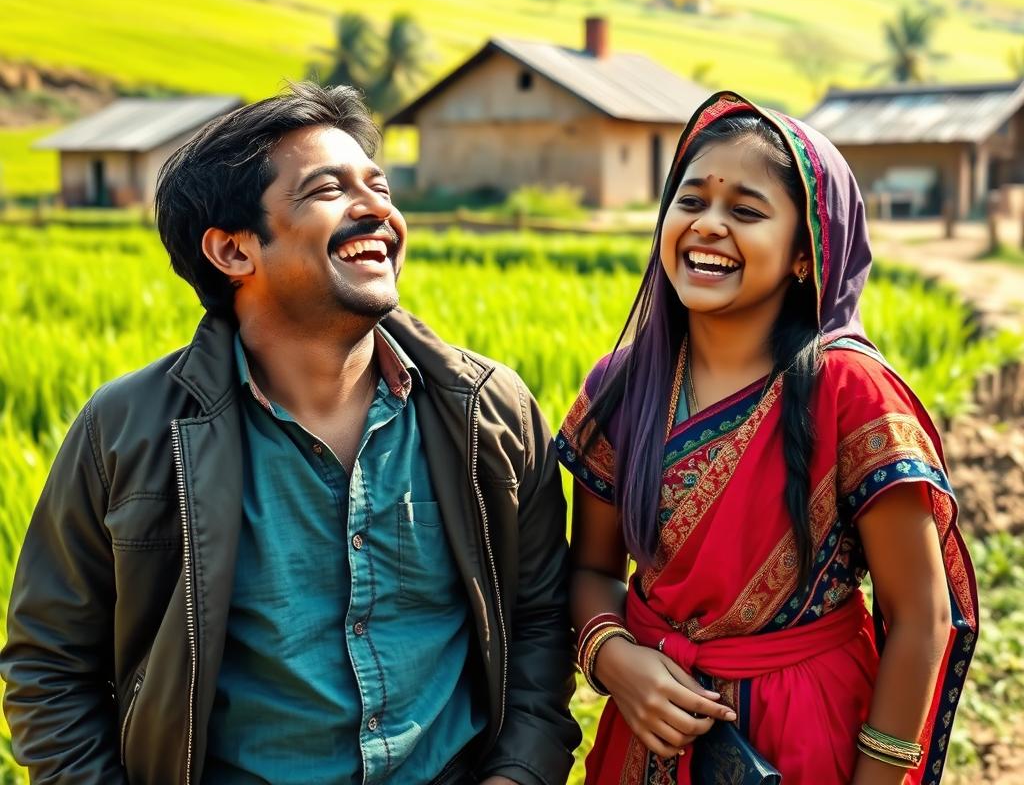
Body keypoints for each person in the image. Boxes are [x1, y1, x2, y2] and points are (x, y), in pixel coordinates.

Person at [1, 81, 580, 785]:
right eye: (327, 190)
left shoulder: (489, 413)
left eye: (380, 186)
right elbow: (49, 665)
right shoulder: (129, 431)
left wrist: (518, 775)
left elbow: (543, 623)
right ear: (233, 251)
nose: (376, 209)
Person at [557, 92, 977, 784]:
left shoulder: (850, 392)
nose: (708, 226)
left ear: (806, 256)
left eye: (746, 212)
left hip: (809, 736)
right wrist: (612, 656)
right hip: (649, 735)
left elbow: (920, 617)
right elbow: (593, 570)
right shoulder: (623, 385)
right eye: (690, 203)